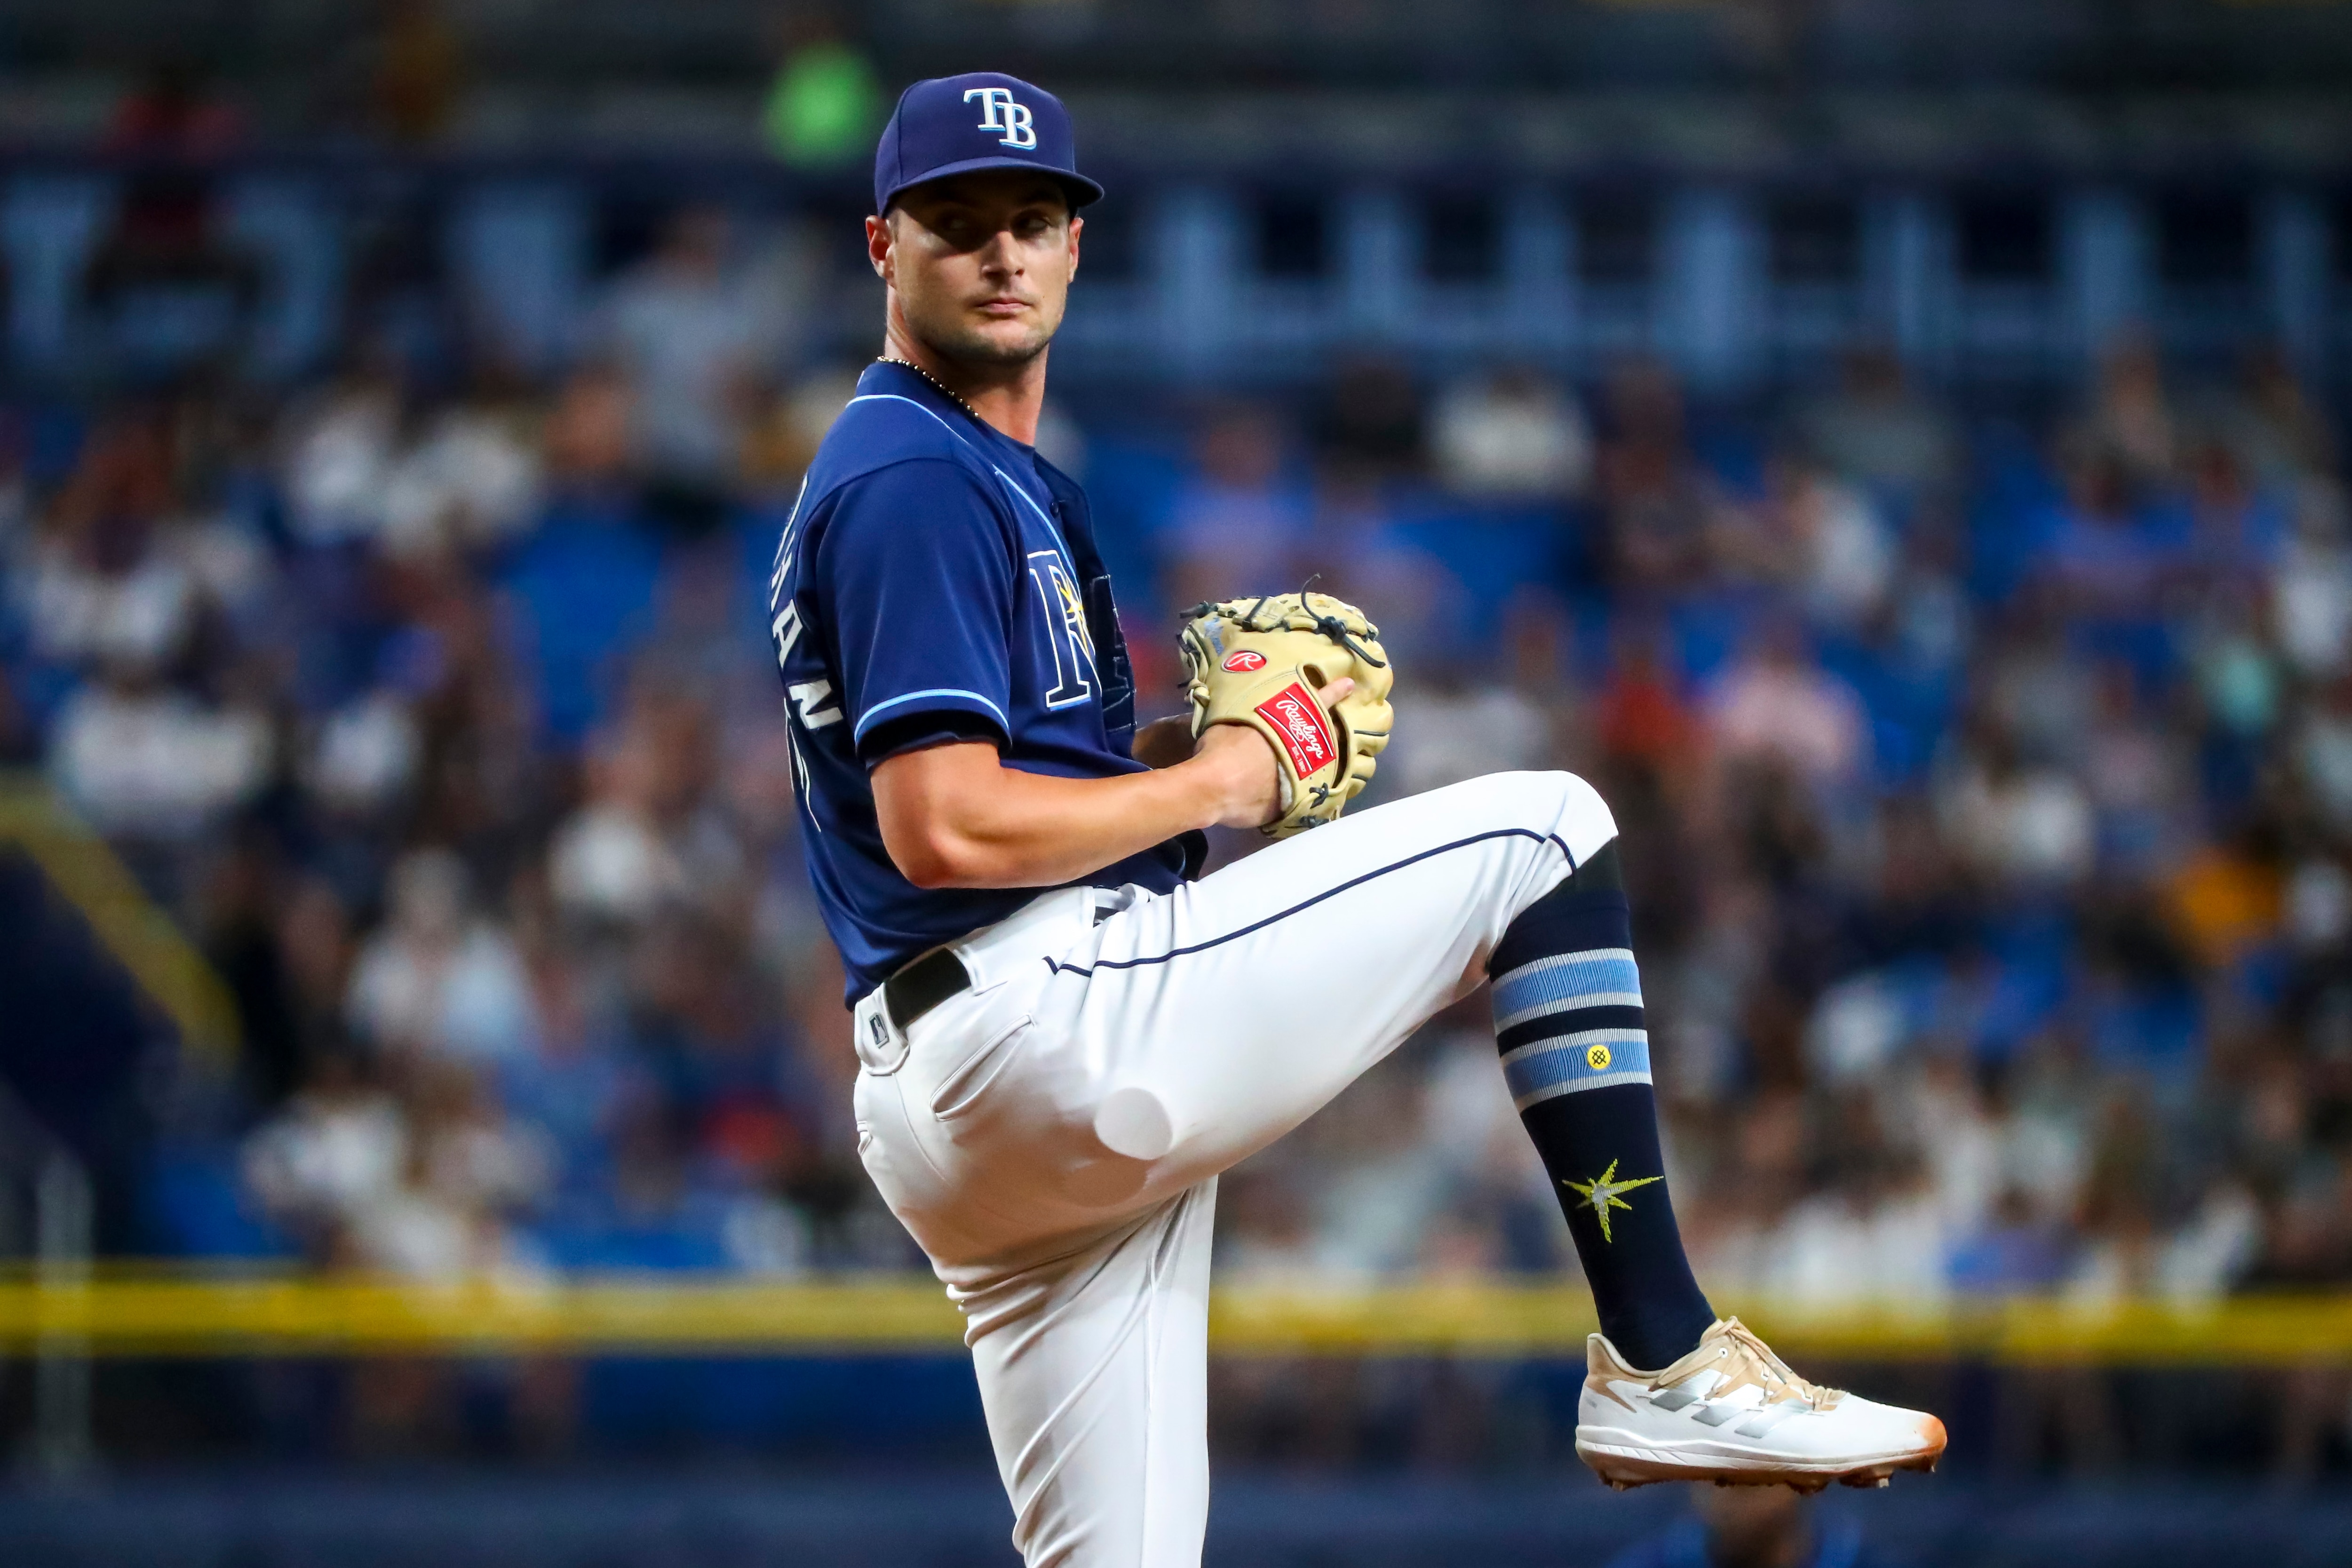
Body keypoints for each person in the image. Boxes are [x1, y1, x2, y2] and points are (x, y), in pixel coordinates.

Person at [763, 72, 1945, 1568]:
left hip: (976, 1087)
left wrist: (1172, 751)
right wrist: (1225, 783)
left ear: (1075, 246)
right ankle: (1662, 1357)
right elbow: (943, 826)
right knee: (1547, 837)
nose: (1002, 252)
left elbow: (1002, 802)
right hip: (1037, 1027)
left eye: (1032, 218)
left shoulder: (966, 471)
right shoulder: (916, 470)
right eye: (957, 223)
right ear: (883, 248)